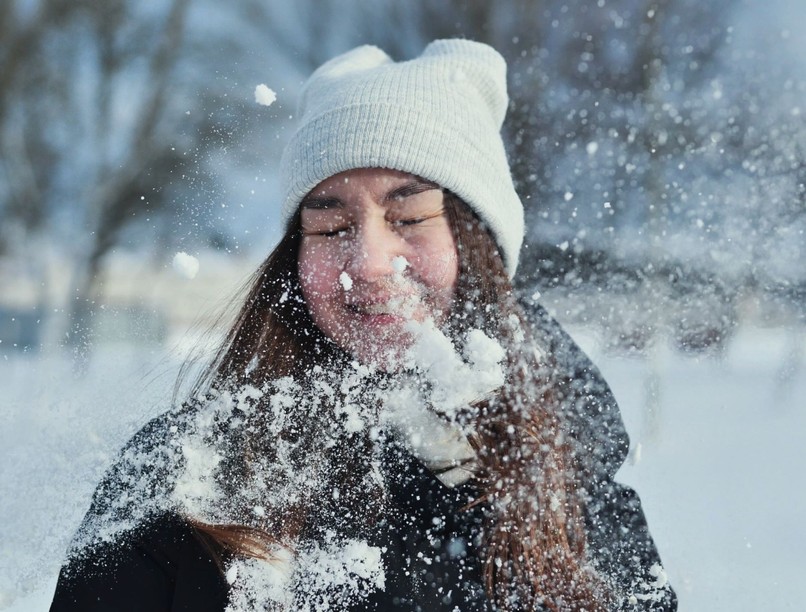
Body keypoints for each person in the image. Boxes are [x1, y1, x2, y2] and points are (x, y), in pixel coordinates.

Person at [50, 39, 677, 611]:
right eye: (330, 227)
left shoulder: (567, 470)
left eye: (407, 218)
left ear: (474, 246)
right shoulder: (188, 475)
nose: (369, 264)